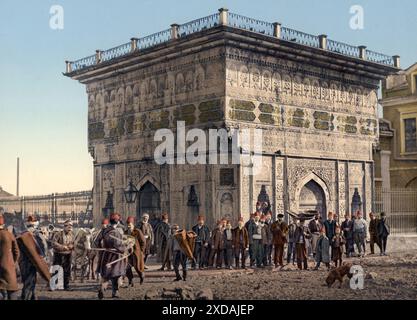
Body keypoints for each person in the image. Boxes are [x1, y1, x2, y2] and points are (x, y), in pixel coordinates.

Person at [96, 213, 128, 299]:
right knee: (116, 275)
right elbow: (118, 245)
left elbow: (97, 242)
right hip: (115, 256)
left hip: (106, 255)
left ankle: (102, 288)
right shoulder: (116, 233)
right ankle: (115, 292)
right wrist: (125, 249)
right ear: (117, 222)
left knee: (106, 275)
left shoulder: (104, 231)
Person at [18, 215, 48, 300]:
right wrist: (43, 258)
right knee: (30, 281)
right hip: (34, 261)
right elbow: (44, 247)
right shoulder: (38, 234)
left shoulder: (21, 235)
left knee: (27, 281)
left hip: (23, 262)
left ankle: (32, 297)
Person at [0, 215, 20, 300]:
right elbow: (16, 252)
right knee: (12, 290)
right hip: (8, 266)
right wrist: (12, 261)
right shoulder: (9, 234)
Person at [52, 219, 74, 291]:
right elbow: (54, 243)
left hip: (68, 255)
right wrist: (62, 247)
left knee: (67, 270)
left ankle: (66, 286)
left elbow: (73, 243)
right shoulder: (58, 234)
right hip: (58, 254)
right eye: (68, 226)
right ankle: (53, 286)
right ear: (64, 227)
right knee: (56, 269)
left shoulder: (71, 234)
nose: (70, 228)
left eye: (71, 226)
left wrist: (72, 246)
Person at [124, 216, 145, 287]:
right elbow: (124, 242)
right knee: (127, 267)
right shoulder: (125, 232)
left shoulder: (137, 231)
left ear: (133, 224)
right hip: (128, 254)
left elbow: (143, 242)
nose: (128, 226)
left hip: (136, 253)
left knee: (137, 267)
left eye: (130, 224)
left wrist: (141, 251)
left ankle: (141, 276)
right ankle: (131, 282)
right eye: (128, 224)